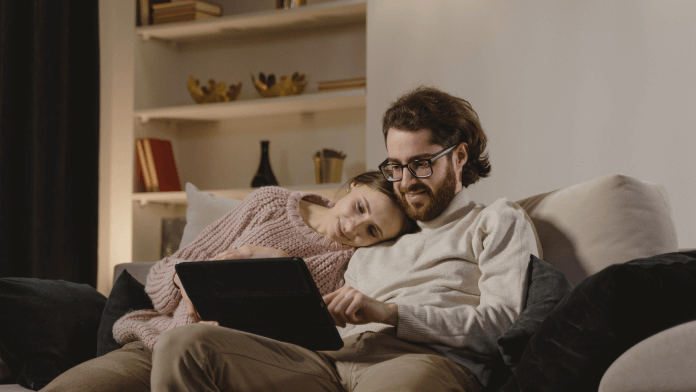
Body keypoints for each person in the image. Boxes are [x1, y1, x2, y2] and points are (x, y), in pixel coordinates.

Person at [140, 86, 541, 392]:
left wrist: (389, 313)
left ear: (460, 157)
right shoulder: (376, 234)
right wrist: (273, 270)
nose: (406, 182)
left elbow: (501, 328)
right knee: (186, 345)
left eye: (421, 164)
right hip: (328, 358)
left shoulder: (496, 220)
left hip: (420, 361)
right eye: (396, 166)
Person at [40, 170, 416, 391]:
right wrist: (189, 282)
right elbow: (163, 275)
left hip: (233, 362)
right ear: (351, 187)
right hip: (159, 342)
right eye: (360, 208)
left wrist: (282, 266)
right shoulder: (270, 203)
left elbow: (306, 341)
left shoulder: (354, 262)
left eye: (372, 231)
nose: (353, 228)